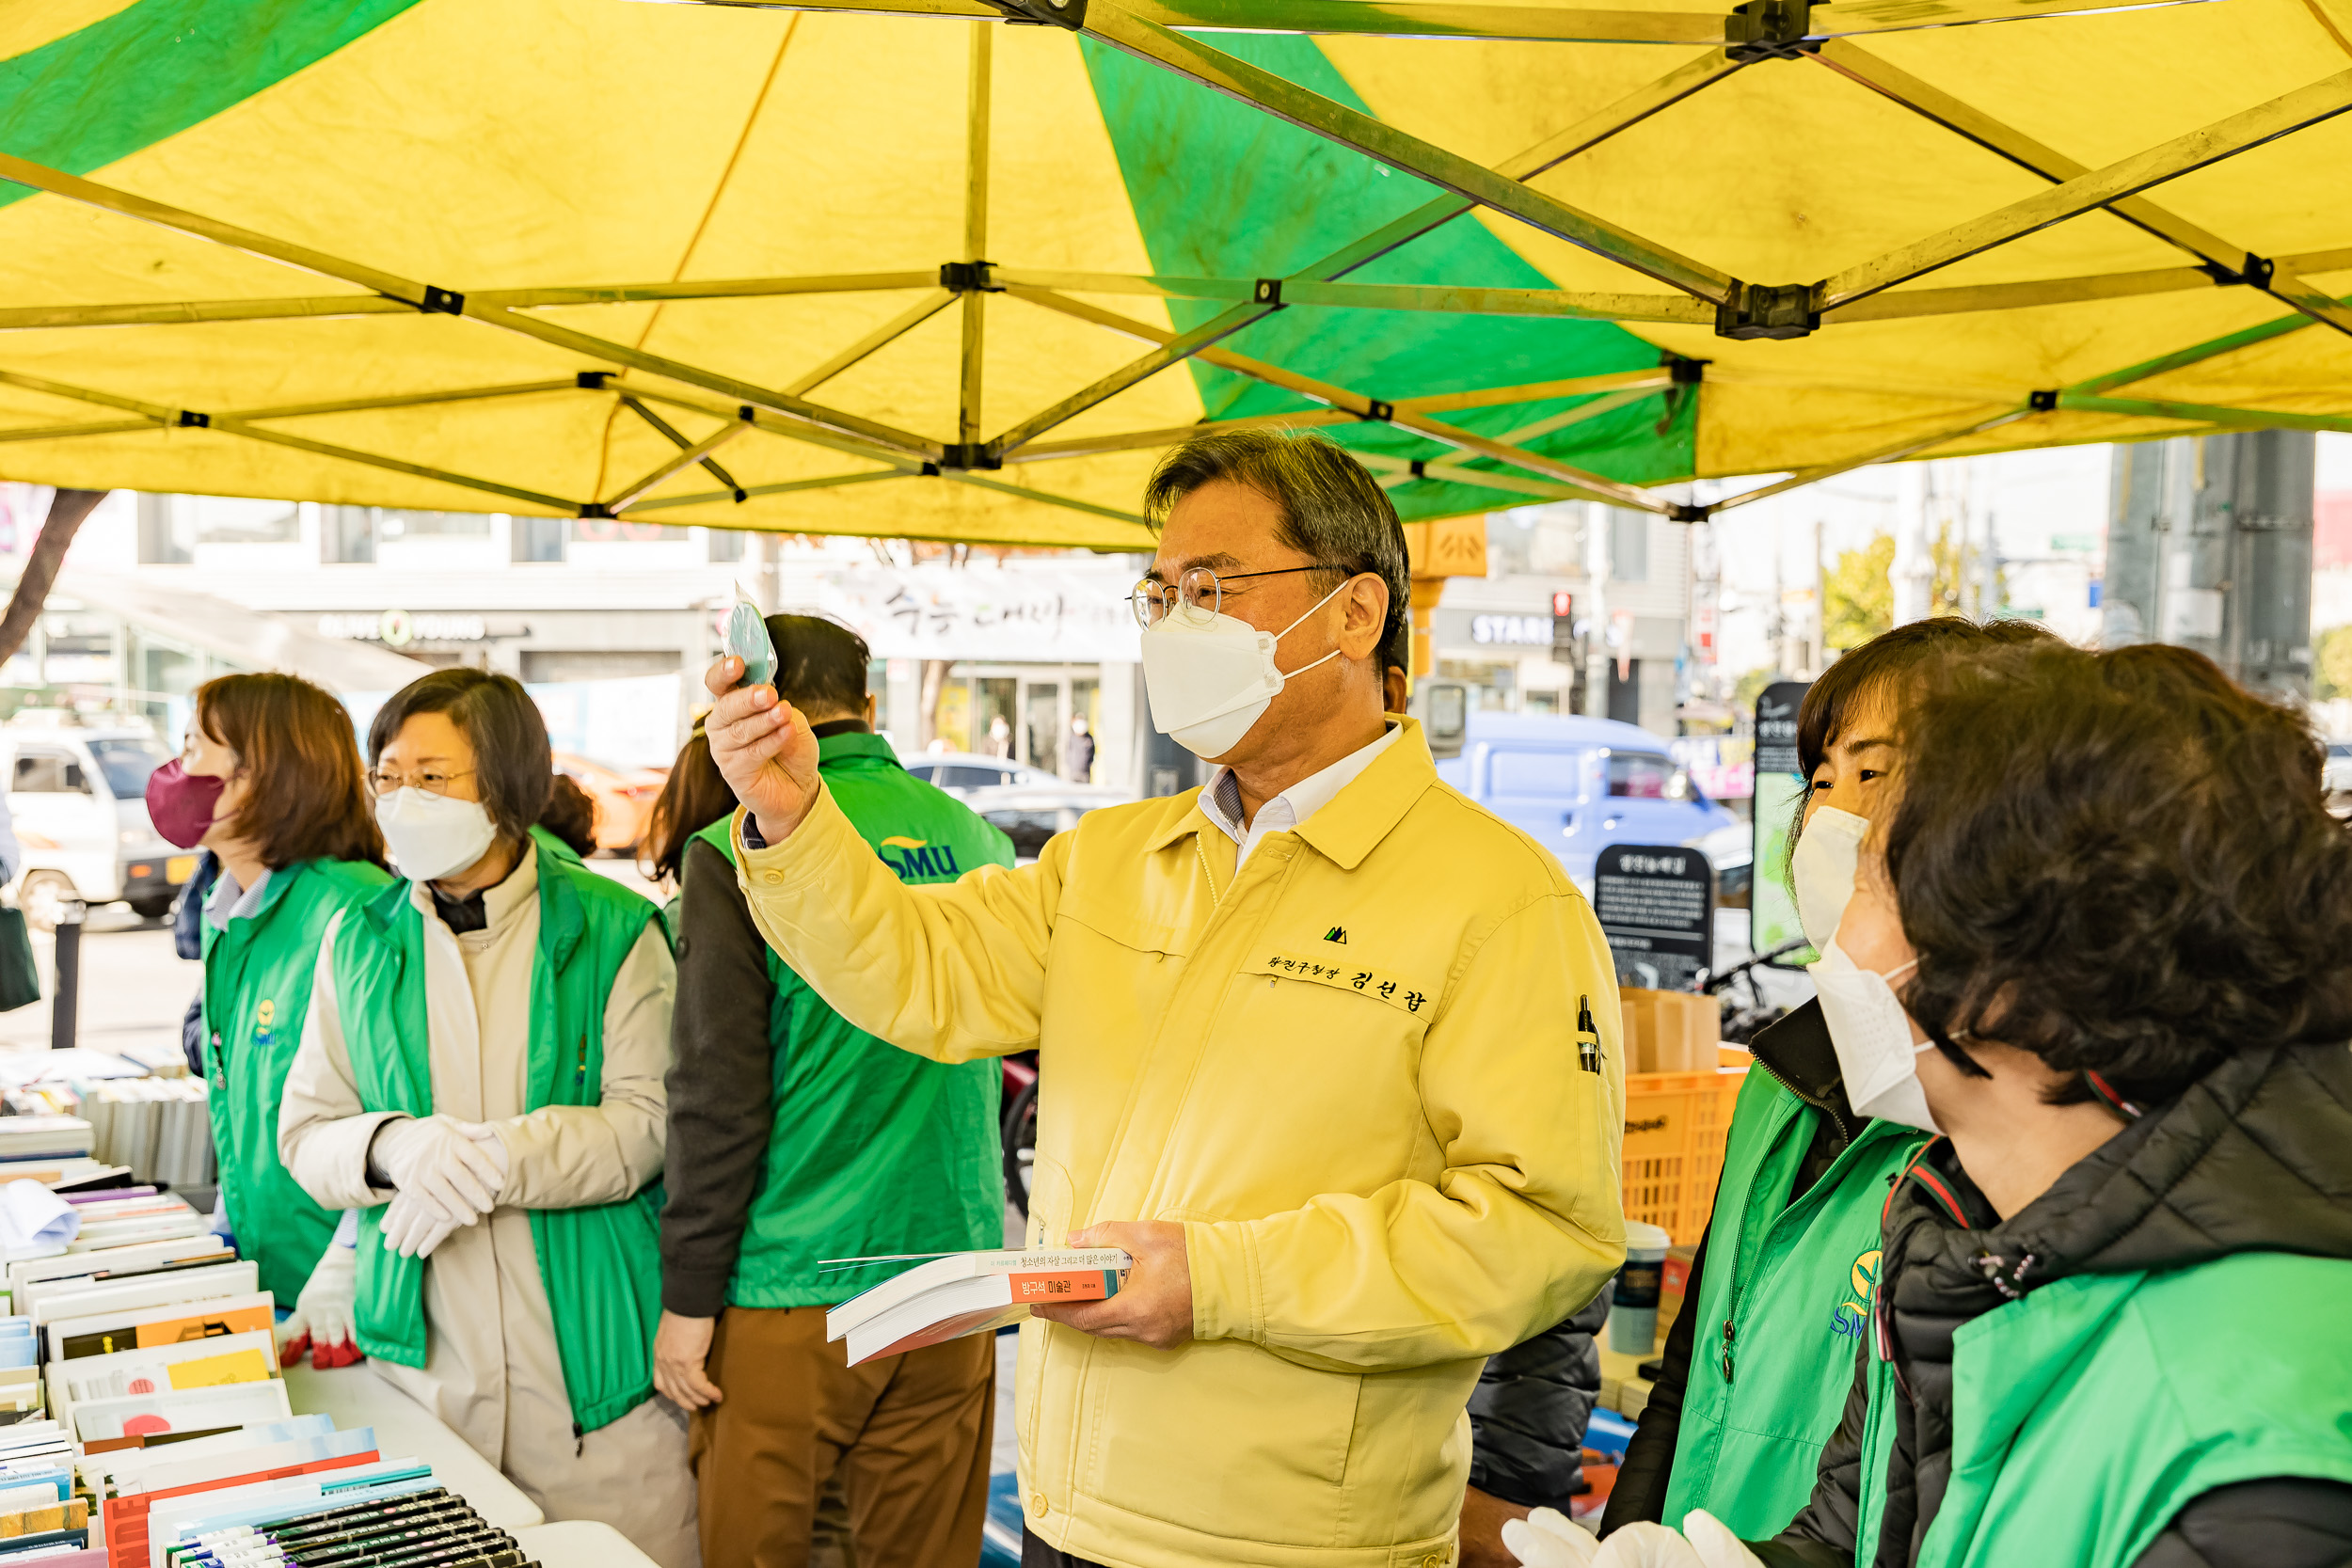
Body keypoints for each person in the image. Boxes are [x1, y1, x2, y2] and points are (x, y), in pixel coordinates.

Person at [703, 428, 1628, 1568]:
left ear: (1354, 613)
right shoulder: (1112, 858)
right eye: (1160, 592)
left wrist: (1224, 1278)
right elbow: (919, 968)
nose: (1176, 623)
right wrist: (795, 821)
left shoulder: (1498, 899)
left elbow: (1542, 1230)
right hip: (1069, 1509)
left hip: (1298, 1543)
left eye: (1212, 587)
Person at [1613, 641, 2352, 1568]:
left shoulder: (2248, 1439)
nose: (1835, 927)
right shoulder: (1961, 1234)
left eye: (1875, 873)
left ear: (2004, 959)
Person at [1604, 618, 2053, 1544]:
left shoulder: (1989, 1118)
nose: (1834, 816)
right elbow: (1691, 1362)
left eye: (1874, 773)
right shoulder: (1778, 1076)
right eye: (1820, 779)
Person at [278, 668, 694, 1568]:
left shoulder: (615, 927)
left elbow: (651, 1121)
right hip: (423, 1366)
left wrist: (500, 1156)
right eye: (388, 775)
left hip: (592, 1370)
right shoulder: (359, 939)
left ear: (507, 783)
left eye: (434, 776)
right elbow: (307, 1132)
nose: (402, 798)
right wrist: (398, 1146)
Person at [655, 614, 1016, 1568]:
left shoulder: (736, 843)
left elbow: (718, 1089)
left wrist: (688, 1299)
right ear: (866, 702)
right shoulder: (974, 833)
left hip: (794, 1282)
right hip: (953, 1272)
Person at [150, 673, 392, 1364]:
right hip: (273, 1291)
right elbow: (240, 1105)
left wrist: (344, 1264)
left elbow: (397, 1113)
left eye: (196, 746)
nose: (177, 769)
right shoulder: (234, 912)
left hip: (351, 1312)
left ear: (265, 774)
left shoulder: (355, 912)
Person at [1065, 714, 1095, 784]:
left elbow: (1091, 754)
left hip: (1084, 771)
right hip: (1074, 770)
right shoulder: (1072, 738)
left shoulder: (1089, 739)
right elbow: (1069, 751)